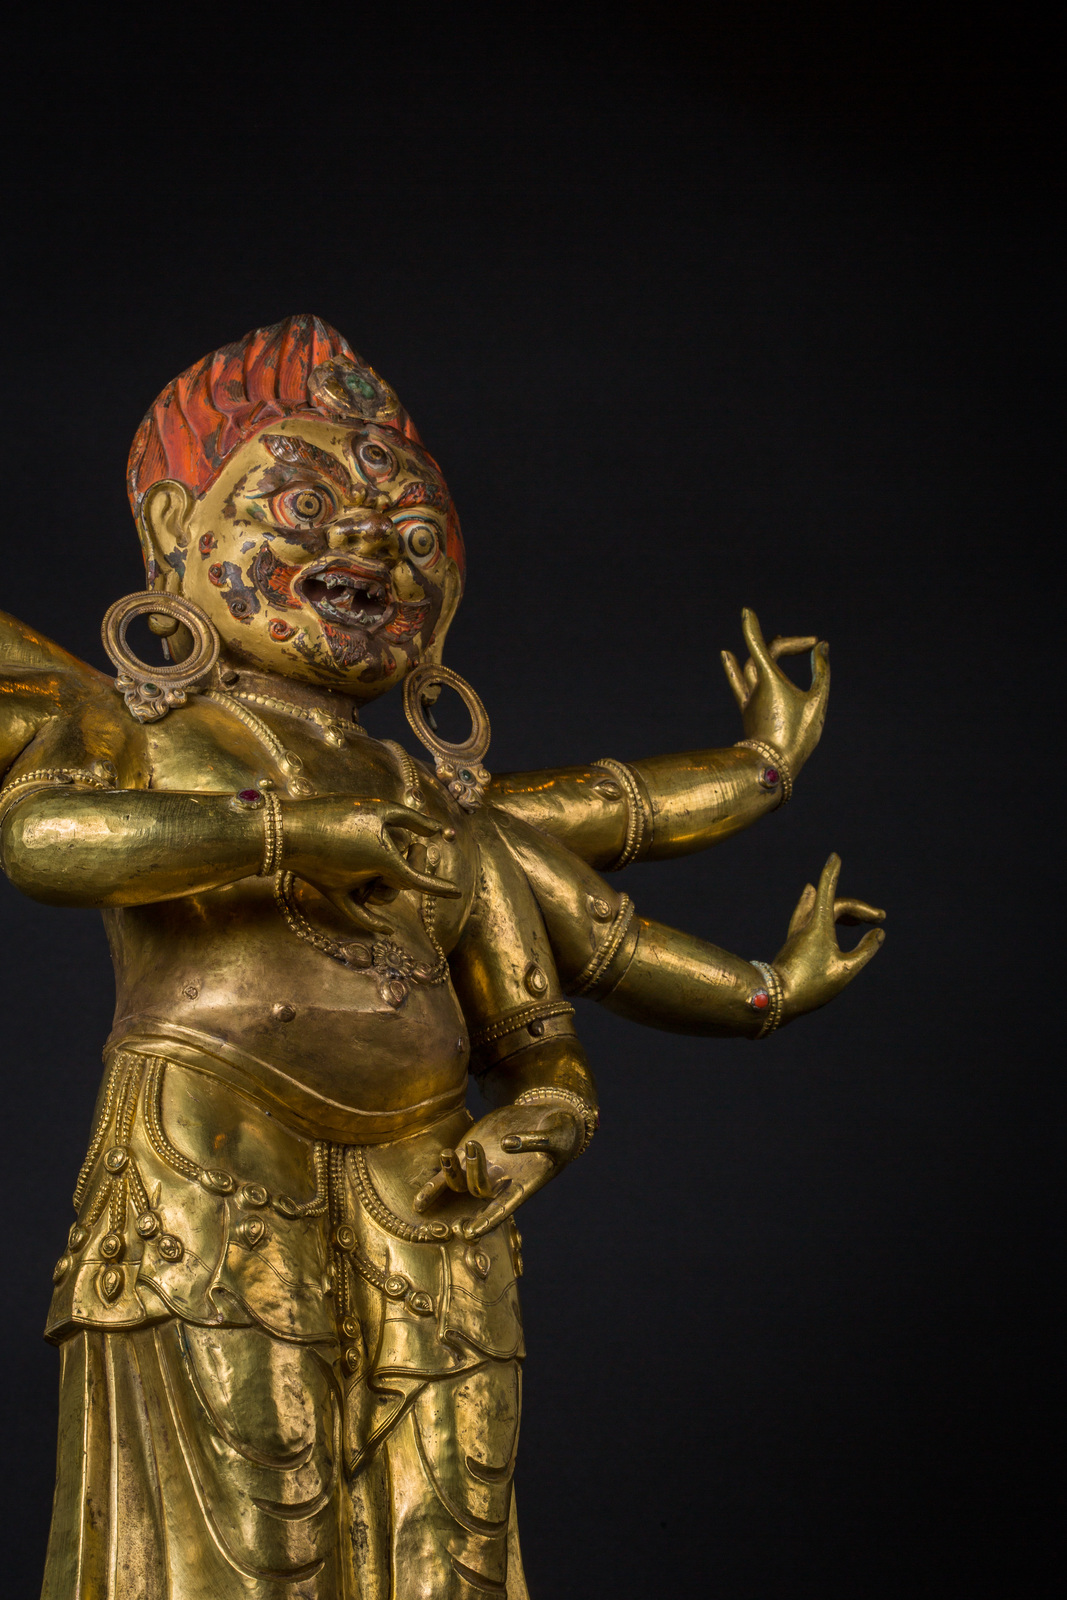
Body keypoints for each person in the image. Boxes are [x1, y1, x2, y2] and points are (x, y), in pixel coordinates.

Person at [0, 315, 885, 1599]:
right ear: (178, 533)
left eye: (412, 532)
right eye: (306, 506)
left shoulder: (441, 808)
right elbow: (46, 839)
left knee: (448, 1542)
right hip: (210, 1153)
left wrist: (563, 1108)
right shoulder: (131, 730)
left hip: (432, 1185)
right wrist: (295, 831)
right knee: (238, 1543)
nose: (368, 545)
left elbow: (567, 976)